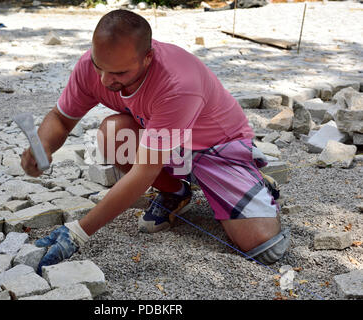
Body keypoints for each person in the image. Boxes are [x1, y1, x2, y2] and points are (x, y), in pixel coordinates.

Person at [20, 9, 290, 275]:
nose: (104, 80)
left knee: (264, 248)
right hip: (164, 143)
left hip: (216, 148)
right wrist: (43, 143)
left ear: (147, 58)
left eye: (119, 73)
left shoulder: (177, 83)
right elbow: (61, 118)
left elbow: (143, 173)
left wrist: (77, 233)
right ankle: (175, 192)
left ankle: (250, 177)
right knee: (113, 132)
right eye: (98, 66)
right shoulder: (95, 67)